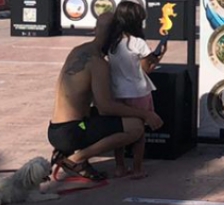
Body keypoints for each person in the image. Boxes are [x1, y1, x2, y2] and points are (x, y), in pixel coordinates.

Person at [47, 10, 164, 183]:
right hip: (73, 130)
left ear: (95, 30)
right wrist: (146, 114)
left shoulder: (77, 51)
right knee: (135, 127)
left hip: (56, 129)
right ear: (115, 35)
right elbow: (105, 107)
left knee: (105, 119)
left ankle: (66, 152)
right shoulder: (98, 63)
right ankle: (76, 159)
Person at [101, 1, 164, 179]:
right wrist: (159, 56)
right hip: (137, 92)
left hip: (116, 92)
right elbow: (145, 70)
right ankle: (137, 168)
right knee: (139, 132)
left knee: (119, 131)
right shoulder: (138, 43)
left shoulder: (111, 43)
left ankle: (119, 167)